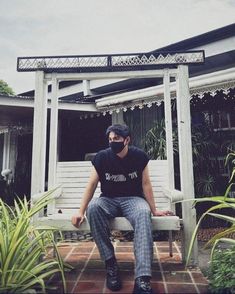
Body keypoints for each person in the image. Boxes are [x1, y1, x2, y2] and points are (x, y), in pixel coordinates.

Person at [72, 124, 173, 294]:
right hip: (108, 199)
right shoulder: (102, 157)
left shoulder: (139, 156)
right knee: (94, 208)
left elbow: (146, 184)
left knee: (143, 212)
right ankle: (111, 264)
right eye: (110, 139)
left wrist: (154, 210)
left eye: (117, 139)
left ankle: (142, 279)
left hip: (133, 200)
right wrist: (80, 211)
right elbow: (91, 184)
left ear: (127, 140)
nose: (113, 142)